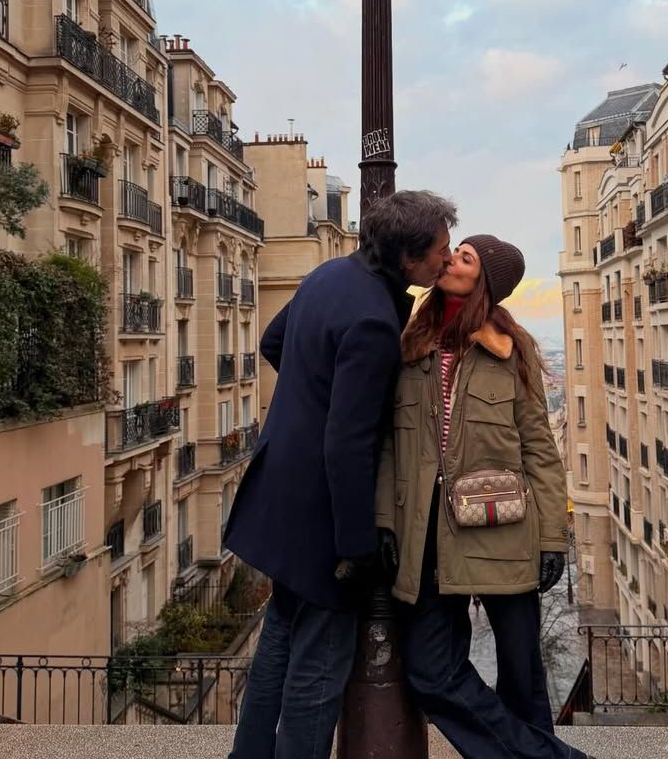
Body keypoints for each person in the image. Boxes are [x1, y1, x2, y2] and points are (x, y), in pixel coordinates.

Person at [224, 189, 458, 759]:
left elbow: (273, 341)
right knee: (320, 666)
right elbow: (349, 442)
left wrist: (315, 387)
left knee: (279, 635)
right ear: (408, 257)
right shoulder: (375, 321)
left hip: (279, 485)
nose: (446, 261)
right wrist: (356, 546)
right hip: (322, 514)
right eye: (440, 251)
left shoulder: (329, 275)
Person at [375, 235, 585, 759]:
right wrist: (384, 522)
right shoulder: (408, 344)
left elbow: (539, 449)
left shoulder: (512, 353)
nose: (449, 260)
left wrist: (552, 539)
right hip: (424, 538)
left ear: (486, 282)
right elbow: (386, 448)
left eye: (464, 257)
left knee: (521, 678)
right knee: (431, 672)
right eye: (453, 252)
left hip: (504, 534)